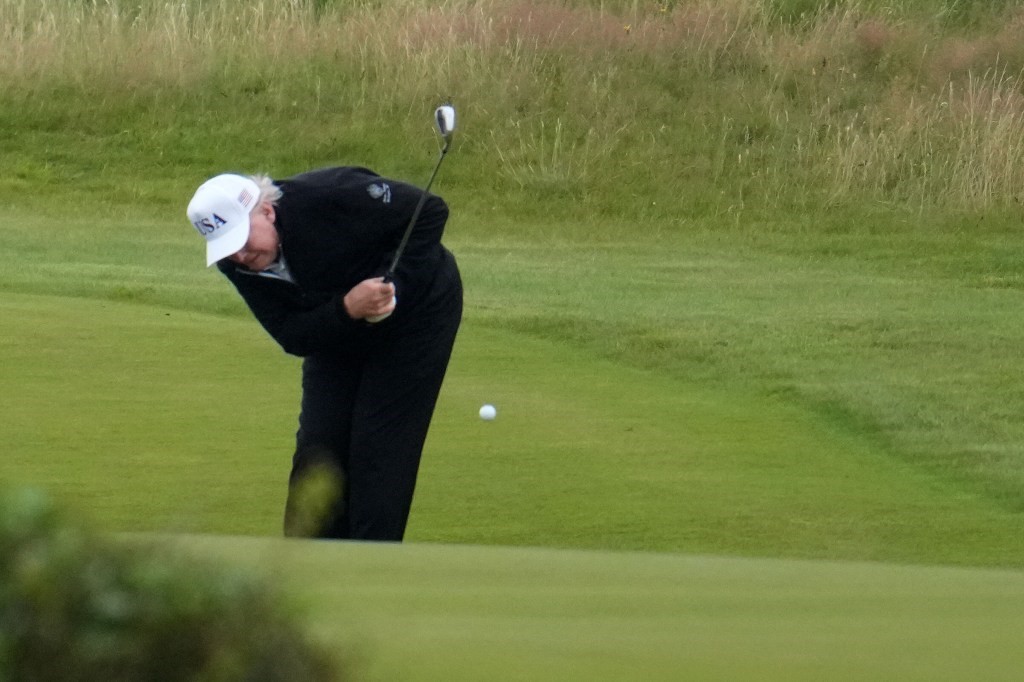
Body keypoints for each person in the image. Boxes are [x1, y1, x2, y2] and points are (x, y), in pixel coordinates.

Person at [185, 167, 462, 541]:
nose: (240, 254)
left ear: (266, 210)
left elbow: (428, 210)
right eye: (227, 246)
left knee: (379, 447)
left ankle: (372, 561)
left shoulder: (329, 196)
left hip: (417, 317)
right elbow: (293, 335)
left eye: (243, 238)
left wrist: (393, 285)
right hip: (338, 324)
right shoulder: (235, 261)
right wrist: (348, 308)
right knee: (318, 450)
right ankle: (309, 561)